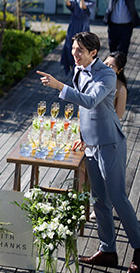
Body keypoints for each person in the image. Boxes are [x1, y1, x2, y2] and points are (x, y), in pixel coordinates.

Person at [37, 31, 140, 271]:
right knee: (99, 200)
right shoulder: (78, 69)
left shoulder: (107, 75)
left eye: (79, 51)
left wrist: (59, 86)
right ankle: (107, 251)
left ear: (94, 52)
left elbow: (91, 100)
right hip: (91, 144)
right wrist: (82, 136)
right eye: (73, 50)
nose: (75, 54)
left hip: (110, 143)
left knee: (117, 198)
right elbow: (85, 110)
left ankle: (139, 247)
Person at [60, 0, 94, 74]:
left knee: (82, 50)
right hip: (72, 29)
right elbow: (67, 3)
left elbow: (83, 8)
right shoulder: (75, 0)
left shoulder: (91, 3)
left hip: (83, 30)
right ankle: (72, 70)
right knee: (69, 48)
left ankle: (80, 71)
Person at [105, 51, 128, 119]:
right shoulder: (94, 75)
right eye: (106, 63)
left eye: (112, 66)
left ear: (119, 70)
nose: (107, 68)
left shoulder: (121, 88)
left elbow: (119, 115)